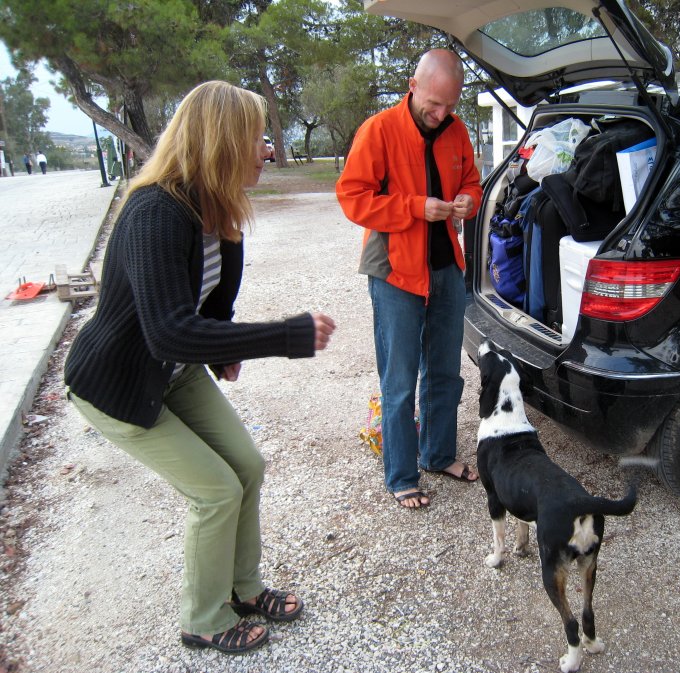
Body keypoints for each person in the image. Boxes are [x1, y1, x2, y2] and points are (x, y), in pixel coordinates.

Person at [64, 80, 336, 654]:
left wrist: (227, 350)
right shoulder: (154, 211)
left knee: (247, 466)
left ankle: (242, 588)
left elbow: (210, 308)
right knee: (214, 490)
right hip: (119, 381)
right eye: (257, 138)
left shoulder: (220, 207)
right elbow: (169, 328)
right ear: (223, 140)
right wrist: (287, 334)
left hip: (171, 369)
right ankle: (204, 618)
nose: (268, 150)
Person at [336, 49, 483, 509]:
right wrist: (414, 207)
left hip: (446, 269)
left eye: (450, 106)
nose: (440, 115)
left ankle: (437, 455)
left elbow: (474, 184)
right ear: (413, 85)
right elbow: (352, 197)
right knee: (398, 380)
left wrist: (467, 201)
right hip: (395, 273)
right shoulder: (379, 130)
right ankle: (401, 475)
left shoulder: (456, 131)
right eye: (434, 104)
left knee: (444, 371)